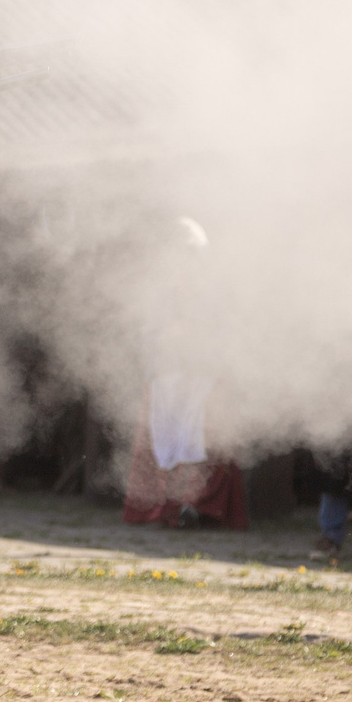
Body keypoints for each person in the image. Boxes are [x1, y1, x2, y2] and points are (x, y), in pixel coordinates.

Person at [118, 217, 248, 531]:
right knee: (167, 438)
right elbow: (147, 329)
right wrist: (168, 333)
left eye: (191, 253)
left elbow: (225, 327)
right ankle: (167, 506)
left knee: (200, 440)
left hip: (203, 370)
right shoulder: (159, 289)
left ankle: (196, 506)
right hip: (168, 371)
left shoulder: (213, 289)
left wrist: (201, 335)